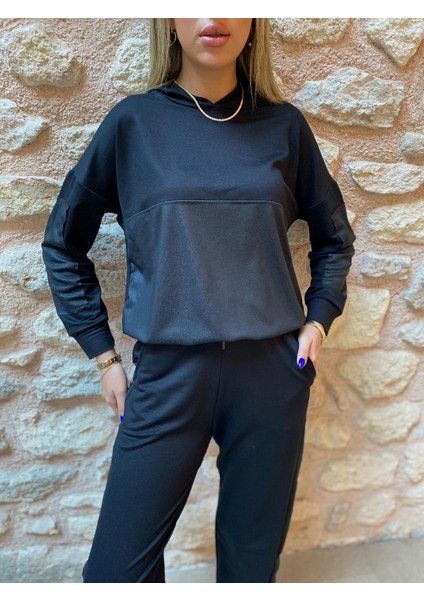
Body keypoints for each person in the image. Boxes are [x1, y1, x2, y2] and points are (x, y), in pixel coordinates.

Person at [41, 18, 355, 583]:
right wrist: (103, 355)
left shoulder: (284, 126)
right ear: (169, 21)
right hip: (169, 374)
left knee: (250, 566)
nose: (216, 16)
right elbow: (63, 243)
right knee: (115, 575)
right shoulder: (133, 123)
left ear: (254, 23)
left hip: (271, 374)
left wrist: (319, 319)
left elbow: (334, 237)